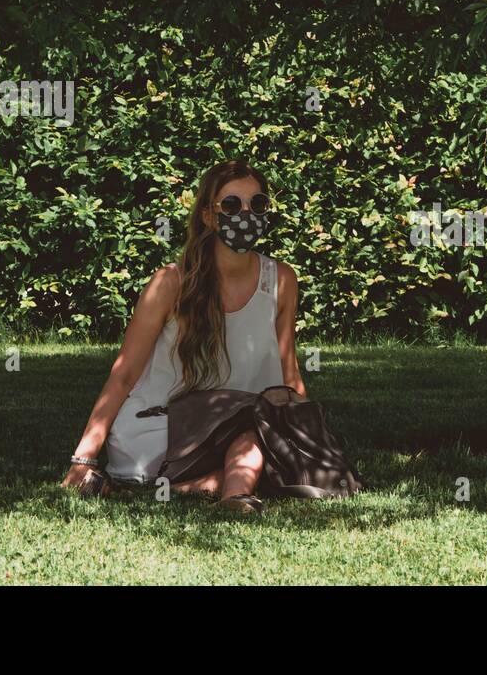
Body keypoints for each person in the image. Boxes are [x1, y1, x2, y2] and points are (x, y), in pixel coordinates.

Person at [60, 159, 305, 513]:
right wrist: (83, 457)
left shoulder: (281, 280)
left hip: (241, 433)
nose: (247, 214)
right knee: (257, 445)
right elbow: (124, 373)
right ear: (208, 215)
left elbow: (289, 372)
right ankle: (234, 497)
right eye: (232, 205)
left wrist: (306, 436)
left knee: (264, 446)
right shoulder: (171, 283)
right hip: (163, 430)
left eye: (258, 204)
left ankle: (201, 489)